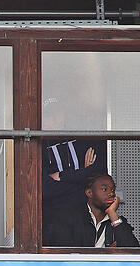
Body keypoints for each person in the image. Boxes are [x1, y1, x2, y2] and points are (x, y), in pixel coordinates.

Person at [41, 97, 107, 245]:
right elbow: (45, 189)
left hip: (85, 216)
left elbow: (97, 176)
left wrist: (61, 176)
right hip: (53, 221)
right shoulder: (38, 145)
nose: (55, 119)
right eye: (49, 116)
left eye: (58, 114)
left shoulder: (81, 138)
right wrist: (82, 176)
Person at [48, 174, 139, 248]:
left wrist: (112, 214)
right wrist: (107, 252)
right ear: (89, 193)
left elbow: (133, 253)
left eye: (113, 190)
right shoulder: (69, 218)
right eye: (104, 189)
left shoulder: (117, 221)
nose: (111, 193)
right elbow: (65, 254)